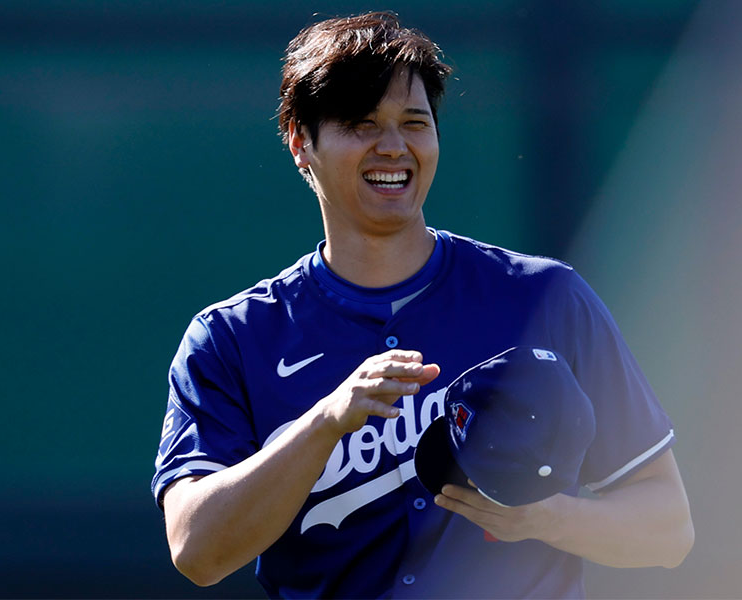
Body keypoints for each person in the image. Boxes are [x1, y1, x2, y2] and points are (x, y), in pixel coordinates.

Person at [152, 11, 693, 599]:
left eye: (414, 122)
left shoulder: (545, 297)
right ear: (300, 141)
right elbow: (196, 549)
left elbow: (667, 528)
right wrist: (326, 422)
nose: (393, 146)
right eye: (362, 123)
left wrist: (545, 518)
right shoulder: (234, 338)